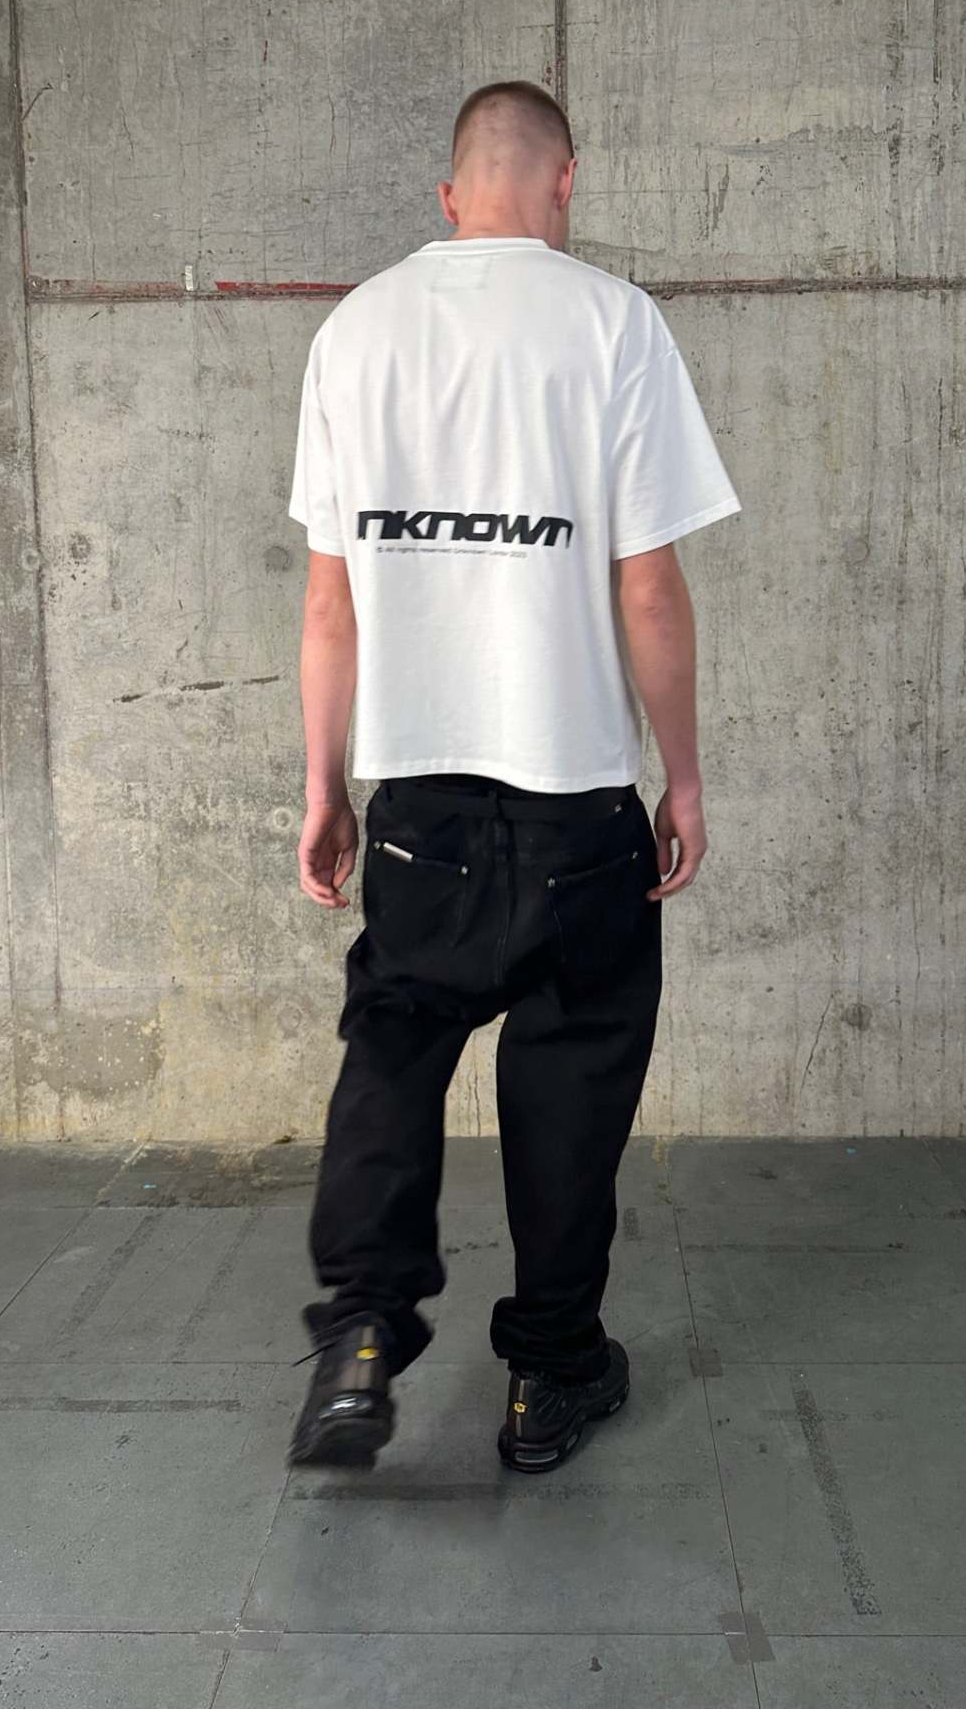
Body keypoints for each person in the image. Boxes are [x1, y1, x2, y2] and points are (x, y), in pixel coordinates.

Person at [286, 80, 739, 1474]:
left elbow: (329, 602)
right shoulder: (612, 323)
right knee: (571, 1078)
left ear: (448, 195)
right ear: (565, 181)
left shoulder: (356, 331)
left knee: (393, 1047)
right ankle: (548, 1375)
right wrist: (682, 778)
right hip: (575, 798)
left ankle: (362, 1331)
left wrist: (326, 788)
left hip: (418, 799)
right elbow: (647, 587)